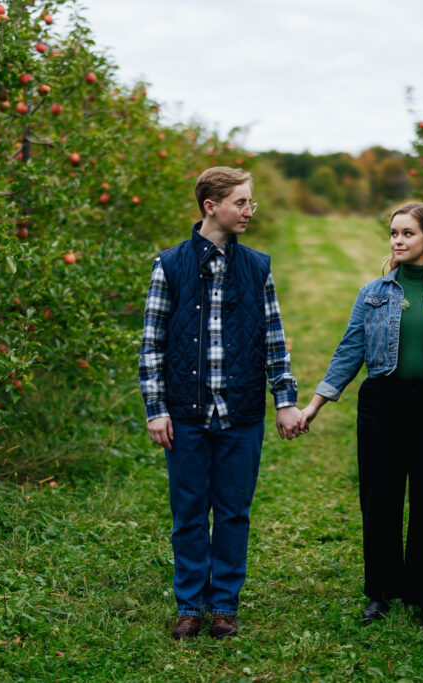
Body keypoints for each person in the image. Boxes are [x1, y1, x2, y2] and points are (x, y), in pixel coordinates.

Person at [298, 202, 423, 632]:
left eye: (407, 234)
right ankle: (380, 593)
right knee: (379, 501)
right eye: (394, 234)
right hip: (382, 406)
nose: (398, 241)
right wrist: (315, 404)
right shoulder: (373, 293)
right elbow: (349, 352)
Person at [139, 166, 303, 641]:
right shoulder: (169, 265)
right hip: (185, 415)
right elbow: (152, 344)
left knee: (233, 510)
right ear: (211, 206)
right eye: (242, 202)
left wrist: (285, 400)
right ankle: (190, 604)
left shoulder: (257, 267)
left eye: (251, 202)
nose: (250, 211)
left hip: (241, 413)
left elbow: (275, 339)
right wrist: (157, 408)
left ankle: (225, 605)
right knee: (189, 510)